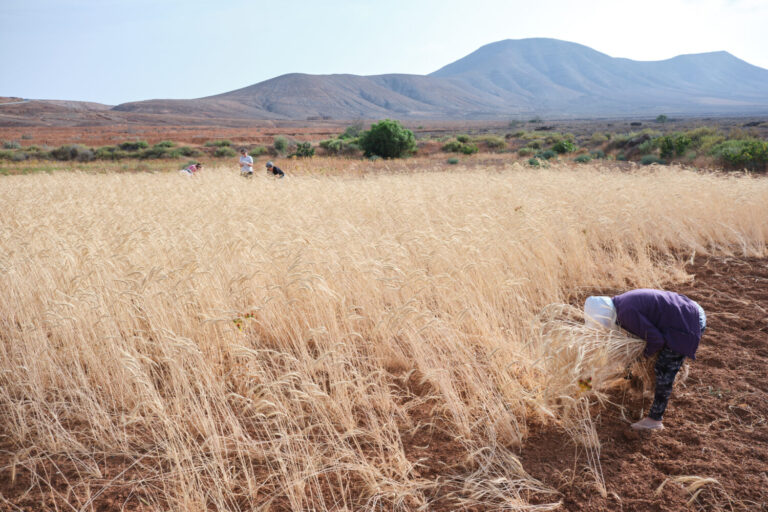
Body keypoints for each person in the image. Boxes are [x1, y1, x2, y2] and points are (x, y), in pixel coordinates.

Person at [584, 289, 706, 431]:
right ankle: (629, 381)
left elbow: (656, 341)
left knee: (664, 367)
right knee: (636, 355)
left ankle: (655, 420)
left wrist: (640, 359)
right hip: (687, 311)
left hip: (688, 321)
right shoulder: (620, 304)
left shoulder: (627, 314)